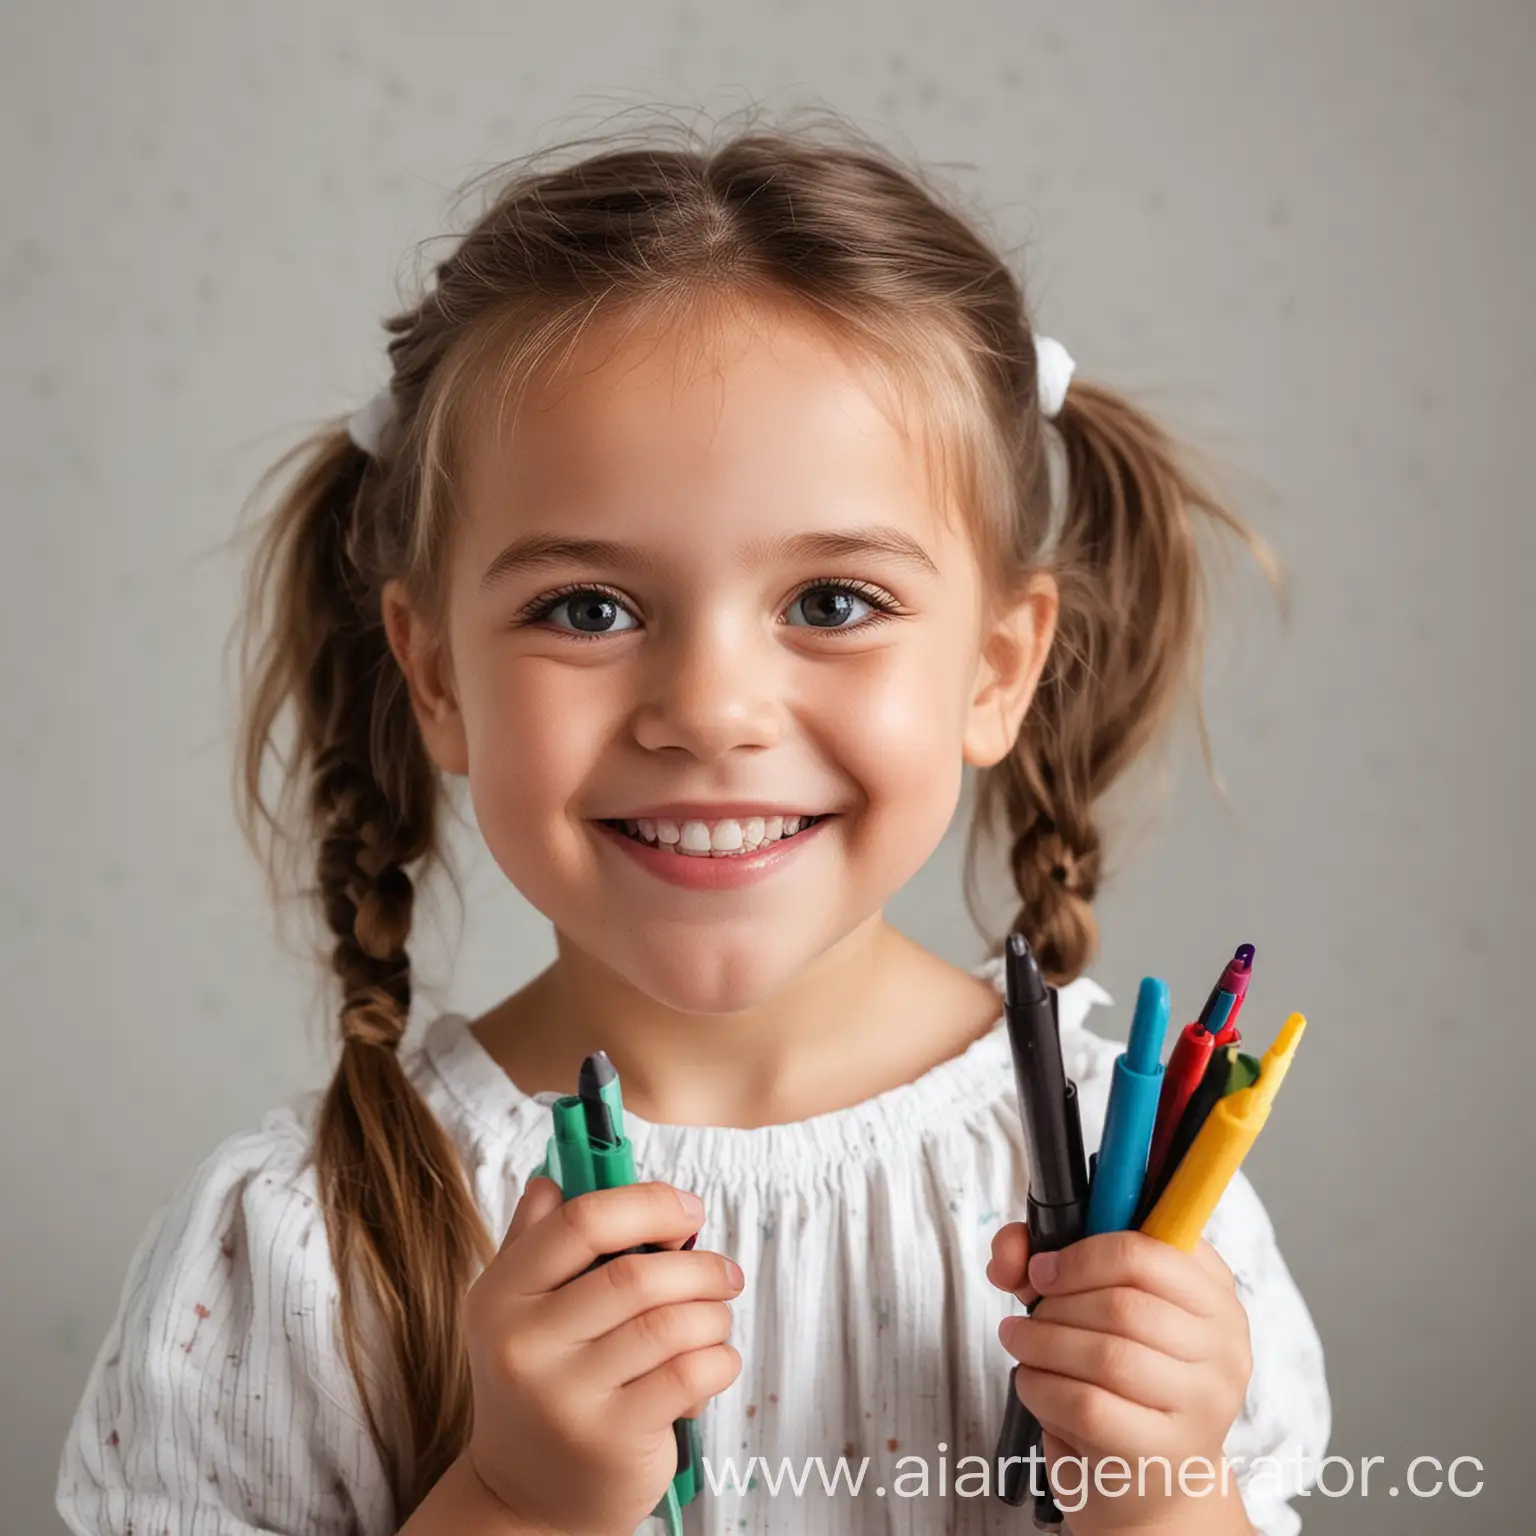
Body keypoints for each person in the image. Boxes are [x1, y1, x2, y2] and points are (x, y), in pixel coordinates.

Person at [57, 111, 1329, 1536]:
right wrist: (513, 1506)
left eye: (833, 604)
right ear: (434, 676)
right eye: (587, 610)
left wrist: (1163, 1498)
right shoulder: (303, 1246)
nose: (711, 709)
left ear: (997, 669)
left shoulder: (1145, 1205)